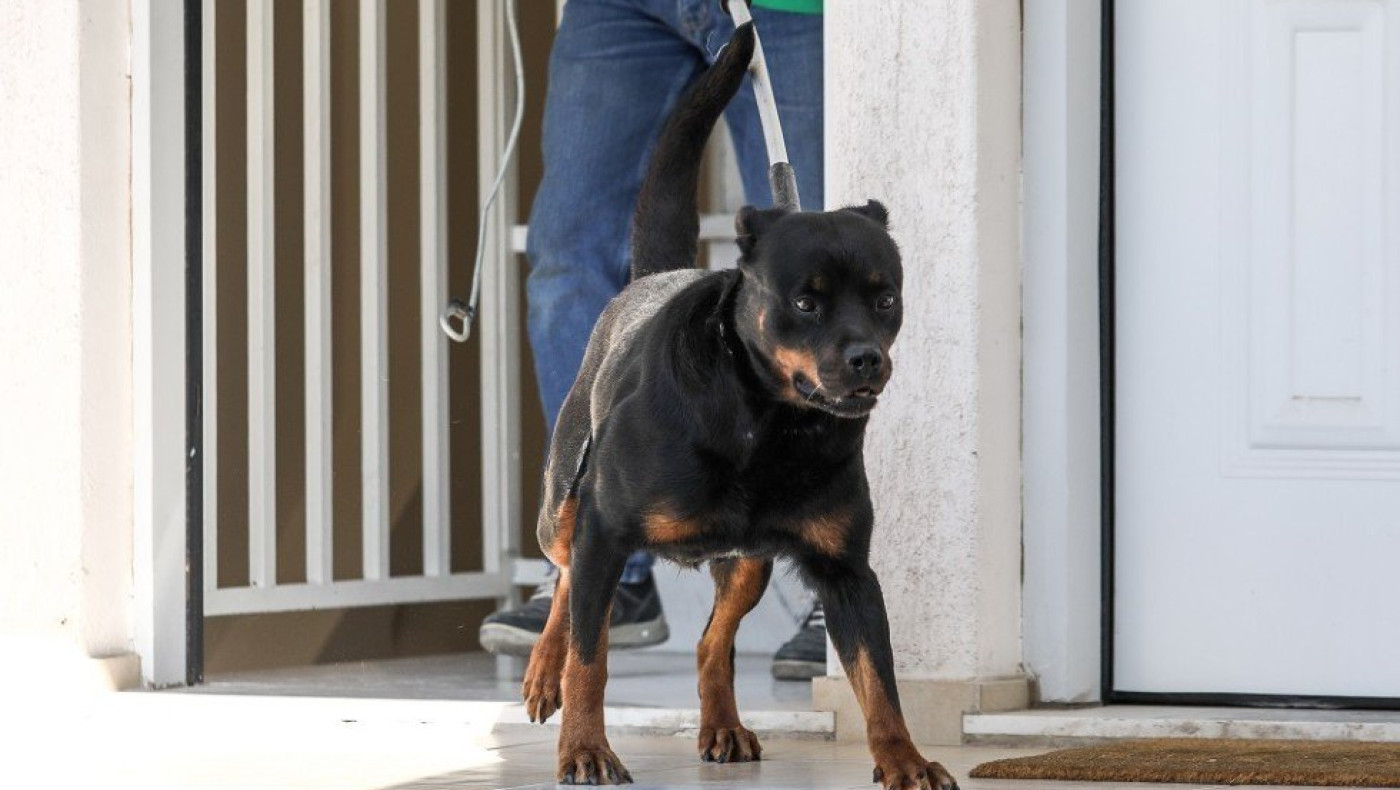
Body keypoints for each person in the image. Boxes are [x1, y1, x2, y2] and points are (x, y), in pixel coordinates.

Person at [479, 0, 827, 680]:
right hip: (622, 8)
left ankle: (823, 577)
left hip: (791, 7)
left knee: (812, 267)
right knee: (567, 257)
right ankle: (606, 566)